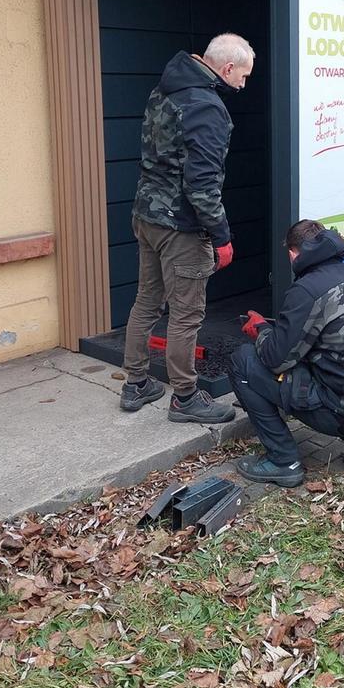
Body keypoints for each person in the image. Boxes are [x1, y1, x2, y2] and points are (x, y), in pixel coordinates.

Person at [120, 33, 255, 424]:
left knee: (147, 300)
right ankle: (184, 397)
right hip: (180, 227)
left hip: (146, 215)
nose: (244, 85)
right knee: (186, 314)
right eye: (243, 76)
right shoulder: (207, 106)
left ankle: (136, 384)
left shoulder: (165, 88)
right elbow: (202, 186)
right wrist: (222, 237)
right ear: (227, 68)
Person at [228, 220, 344, 486]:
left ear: (293, 254)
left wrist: (260, 329)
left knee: (243, 361)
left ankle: (284, 461)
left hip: (340, 411)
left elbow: (275, 358)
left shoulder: (306, 290)